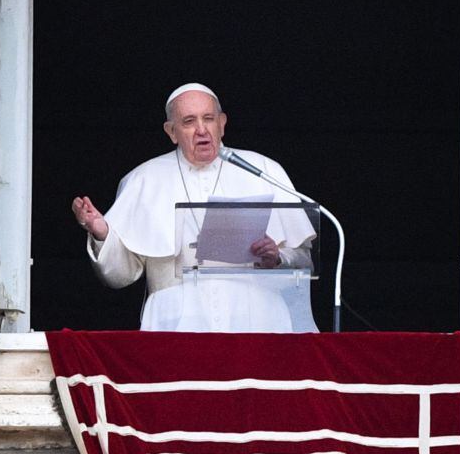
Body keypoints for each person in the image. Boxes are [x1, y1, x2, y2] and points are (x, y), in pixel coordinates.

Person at [70, 83, 317, 332]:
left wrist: (276, 258)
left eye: (208, 118)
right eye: (189, 121)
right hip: (176, 321)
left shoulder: (264, 170)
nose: (201, 129)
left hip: (257, 318)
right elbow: (120, 276)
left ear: (222, 123)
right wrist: (103, 234)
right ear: (171, 131)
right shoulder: (143, 179)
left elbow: (303, 260)